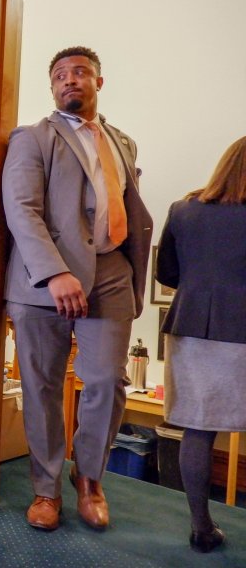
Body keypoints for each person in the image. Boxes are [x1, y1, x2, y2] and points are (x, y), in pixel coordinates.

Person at [2, 46, 153, 531]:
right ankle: (46, 490)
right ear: (52, 87)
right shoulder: (31, 138)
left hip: (111, 273)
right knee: (42, 386)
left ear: (98, 83)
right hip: (42, 280)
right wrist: (56, 272)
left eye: (81, 73)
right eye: (61, 75)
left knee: (107, 381)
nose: (71, 80)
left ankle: (89, 479)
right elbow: (21, 210)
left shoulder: (123, 142)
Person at [155, 136, 246, 553]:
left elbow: (167, 275)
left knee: (197, 430)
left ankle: (201, 529)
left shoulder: (183, 210)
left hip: (193, 329)